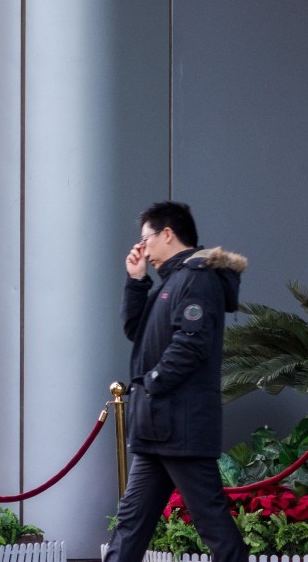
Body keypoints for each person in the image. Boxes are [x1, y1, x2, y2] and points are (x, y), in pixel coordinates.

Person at [104, 201, 248, 562]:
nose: (142, 249)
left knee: (211, 522)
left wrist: (152, 382)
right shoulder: (173, 281)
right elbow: (136, 331)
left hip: (180, 427)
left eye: (146, 239)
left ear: (167, 233)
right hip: (157, 429)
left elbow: (192, 343)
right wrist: (136, 282)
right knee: (130, 525)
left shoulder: (197, 278)